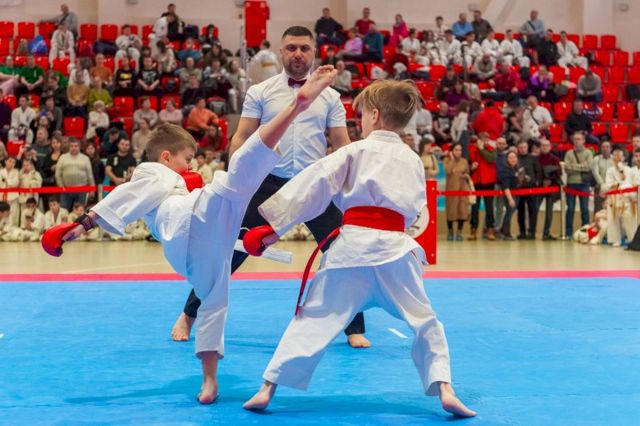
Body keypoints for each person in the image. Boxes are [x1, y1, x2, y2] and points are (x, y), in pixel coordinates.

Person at [49, 65, 338, 404]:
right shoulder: (153, 172)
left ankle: (209, 380)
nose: (190, 166)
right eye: (187, 159)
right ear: (166, 156)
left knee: (216, 299)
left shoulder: (179, 182)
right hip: (190, 215)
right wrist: (84, 223)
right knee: (241, 172)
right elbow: (129, 195)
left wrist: (257, 239)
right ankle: (296, 106)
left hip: (194, 247)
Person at [241, 80, 476, 418]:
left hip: (351, 251)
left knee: (312, 318)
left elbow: (314, 185)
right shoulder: (412, 159)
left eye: (362, 115)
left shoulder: (354, 151)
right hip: (396, 253)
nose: (360, 122)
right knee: (425, 322)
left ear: (375, 115)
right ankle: (445, 389)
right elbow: (415, 210)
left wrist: (274, 226)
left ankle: (268, 387)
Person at [170, 27, 368, 350]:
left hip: (313, 184)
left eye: (304, 48)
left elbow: (341, 144)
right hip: (267, 183)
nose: (298, 54)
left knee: (343, 251)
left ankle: (354, 327)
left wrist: (354, 185)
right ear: (280, 51)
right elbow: (242, 136)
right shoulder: (260, 91)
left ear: (314, 52)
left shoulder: (330, 97)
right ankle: (189, 314)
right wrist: (234, 177)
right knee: (231, 250)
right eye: (291, 48)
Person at [604, 148, 637, 246]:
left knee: (629, 218)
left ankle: (632, 239)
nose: (618, 158)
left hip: (627, 198)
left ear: (623, 158)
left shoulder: (628, 170)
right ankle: (615, 239)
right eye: (616, 156)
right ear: (612, 157)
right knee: (613, 219)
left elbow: (631, 183)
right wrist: (618, 184)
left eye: (620, 156)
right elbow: (609, 184)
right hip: (614, 197)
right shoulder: (610, 170)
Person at [468, 132, 497, 240]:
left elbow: (490, 159)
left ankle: (490, 229)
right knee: (474, 207)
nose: (485, 141)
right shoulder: (471, 149)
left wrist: (481, 149)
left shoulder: (492, 149)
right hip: (476, 182)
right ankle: (473, 229)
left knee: (489, 207)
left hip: (489, 182)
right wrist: (471, 168)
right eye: (482, 139)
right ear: (478, 139)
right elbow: (467, 164)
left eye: (486, 139)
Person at [564, 133, 593, 237]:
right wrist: (581, 166)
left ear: (583, 140)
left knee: (584, 209)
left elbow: (588, 167)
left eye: (579, 139)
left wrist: (573, 166)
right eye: (575, 139)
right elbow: (567, 169)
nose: (576, 141)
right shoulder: (568, 153)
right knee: (570, 209)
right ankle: (568, 233)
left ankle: (585, 232)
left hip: (584, 184)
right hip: (571, 183)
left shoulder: (588, 153)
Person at [55, 138, 95, 211]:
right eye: (72, 146)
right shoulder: (62, 157)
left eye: (76, 146)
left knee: (81, 211)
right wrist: (61, 186)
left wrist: (92, 189)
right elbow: (58, 174)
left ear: (79, 147)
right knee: (64, 211)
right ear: (69, 147)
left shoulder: (85, 158)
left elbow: (90, 175)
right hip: (66, 190)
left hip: (82, 189)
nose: (74, 148)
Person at [515, 140, 542, 239]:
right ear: (518, 148)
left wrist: (537, 182)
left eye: (524, 147)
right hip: (519, 189)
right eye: (520, 147)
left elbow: (538, 171)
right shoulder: (515, 158)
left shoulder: (533, 158)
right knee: (520, 211)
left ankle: (532, 232)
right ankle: (522, 232)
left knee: (533, 211)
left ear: (527, 148)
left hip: (532, 189)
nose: (522, 149)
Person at [443, 143, 471, 241]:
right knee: (451, 211)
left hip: (463, 190)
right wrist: (452, 159)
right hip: (451, 190)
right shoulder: (447, 160)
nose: (458, 152)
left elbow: (467, 172)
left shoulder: (464, 161)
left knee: (462, 211)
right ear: (452, 151)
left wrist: (465, 176)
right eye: (456, 150)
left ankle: (459, 232)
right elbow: (447, 171)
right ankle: (450, 231)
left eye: (460, 150)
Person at [538, 138, 561, 240]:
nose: (545, 147)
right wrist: (542, 181)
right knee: (534, 210)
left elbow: (559, 172)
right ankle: (531, 232)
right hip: (539, 188)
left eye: (547, 145)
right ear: (540, 147)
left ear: (550, 147)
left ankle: (546, 233)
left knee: (549, 212)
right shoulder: (536, 158)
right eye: (543, 145)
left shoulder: (555, 159)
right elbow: (535, 172)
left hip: (552, 188)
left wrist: (550, 180)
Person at [498, 150, 521, 239]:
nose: (513, 159)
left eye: (514, 157)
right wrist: (510, 199)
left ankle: (503, 230)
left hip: (517, 194)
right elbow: (506, 187)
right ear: (507, 160)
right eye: (510, 158)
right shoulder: (505, 171)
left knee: (510, 212)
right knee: (509, 212)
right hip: (510, 195)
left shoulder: (516, 169)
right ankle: (505, 233)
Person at [591, 141, 613, 214]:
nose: (605, 149)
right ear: (600, 148)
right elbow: (595, 173)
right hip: (599, 187)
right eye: (603, 147)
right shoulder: (596, 159)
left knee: (611, 208)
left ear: (611, 148)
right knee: (598, 208)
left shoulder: (614, 159)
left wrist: (609, 185)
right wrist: (602, 184)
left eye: (607, 147)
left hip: (612, 187)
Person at [0, 156, 20, 224]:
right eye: (10, 161)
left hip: (13, 197)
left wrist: (6, 181)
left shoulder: (16, 171)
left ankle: (13, 228)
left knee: (14, 215)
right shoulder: (1, 171)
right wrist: (9, 183)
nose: (11, 163)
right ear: (5, 162)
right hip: (1, 196)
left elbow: (15, 182)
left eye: (13, 162)